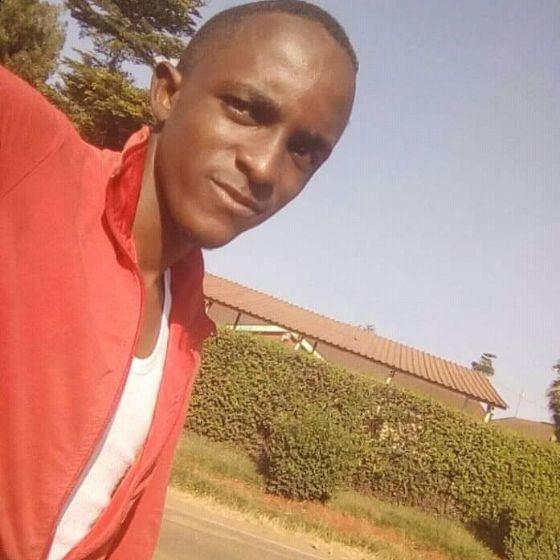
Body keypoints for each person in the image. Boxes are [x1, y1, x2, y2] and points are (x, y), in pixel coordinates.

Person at [0, 1, 357, 558]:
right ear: (167, 93)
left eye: (303, 151)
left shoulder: (184, 326)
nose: (266, 167)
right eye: (246, 109)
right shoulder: (32, 160)